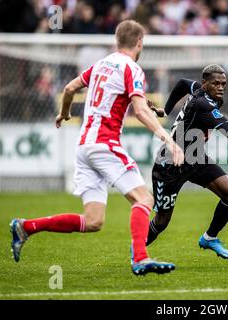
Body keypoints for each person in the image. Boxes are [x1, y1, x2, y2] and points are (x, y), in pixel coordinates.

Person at [9, 20, 184, 276]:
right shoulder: (132, 68)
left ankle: (25, 227)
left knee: (93, 221)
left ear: (116, 41)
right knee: (144, 198)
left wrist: (64, 113)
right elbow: (140, 110)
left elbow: (69, 88)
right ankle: (140, 258)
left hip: (83, 147)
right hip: (104, 143)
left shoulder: (101, 64)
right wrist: (167, 138)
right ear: (139, 43)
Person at [145, 64, 228, 260]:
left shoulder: (199, 89)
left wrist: (164, 110)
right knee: (162, 221)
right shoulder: (203, 104)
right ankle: (138, 248)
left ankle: (209, 237)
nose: (221, 87)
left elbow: (182, 83)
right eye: (216, 83)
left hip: (196, 158)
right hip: (170, 163)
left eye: (223, 83)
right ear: (205, 83)